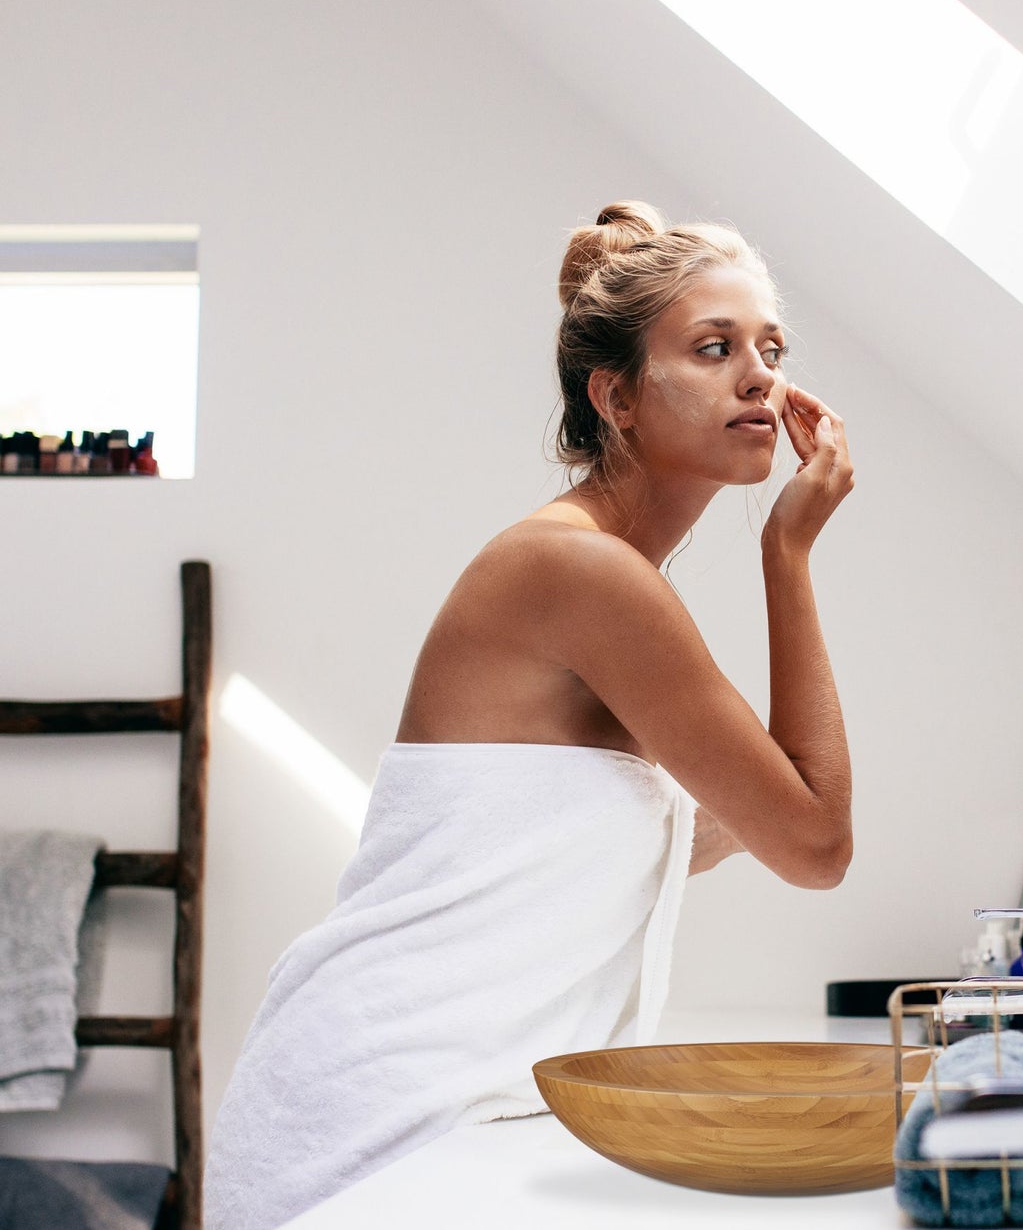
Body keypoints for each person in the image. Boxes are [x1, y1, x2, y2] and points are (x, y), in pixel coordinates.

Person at [203, 201, 854, 1229]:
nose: (759, 376)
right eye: (714, 346)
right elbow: (813, 839)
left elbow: (703, 823)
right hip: (371, 1121)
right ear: (616, 395)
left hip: (450, 1119)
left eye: (770, 347)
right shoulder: (582, 570)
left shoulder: (605, 578)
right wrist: (788, 552)